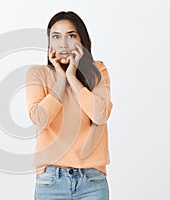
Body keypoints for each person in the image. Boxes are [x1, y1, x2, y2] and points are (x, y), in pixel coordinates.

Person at [25, 11, 113, 199]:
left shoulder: (98, 71)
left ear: (81, 41)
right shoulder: (37, 73)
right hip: (50, 181)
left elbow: (100, 115)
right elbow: (40, 119)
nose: (63, 44)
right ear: (50, 43)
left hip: (92, 180)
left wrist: (72, 77)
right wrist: (60, 79)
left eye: (71, 36)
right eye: (56, 37)